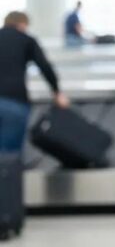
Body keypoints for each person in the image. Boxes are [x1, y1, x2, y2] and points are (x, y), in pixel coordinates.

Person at [0, 12, 69, 154]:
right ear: (23, 24)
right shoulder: (26, 40)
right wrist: (57, 92)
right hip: (14, 100)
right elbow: (44, 66)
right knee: (9, 155)